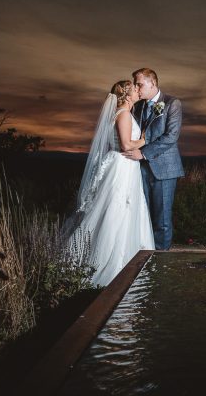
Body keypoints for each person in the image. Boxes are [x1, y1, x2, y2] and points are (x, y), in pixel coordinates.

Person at [69, 80, 155, 287]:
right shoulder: (123, 114)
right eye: (135, 88)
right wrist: (145, 139)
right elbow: (125, 144)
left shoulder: (124, 114)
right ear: (126, 95)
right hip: (122, 167)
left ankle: (129, 257)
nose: (138, 90)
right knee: (117, 210)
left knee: (126, 209)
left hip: (126, 167)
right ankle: (111, 264)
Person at [123, 68, 184, 250]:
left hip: (164, 169)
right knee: (143, 215)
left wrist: (143, 153)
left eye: (139, 84)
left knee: (162, 219)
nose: (136, 88)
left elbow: (171, 136)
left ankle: (161, 261)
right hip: (140, 169)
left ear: (153, 83)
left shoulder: (172, 103)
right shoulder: (138, 106)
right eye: (135, 84)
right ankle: (145, 256)